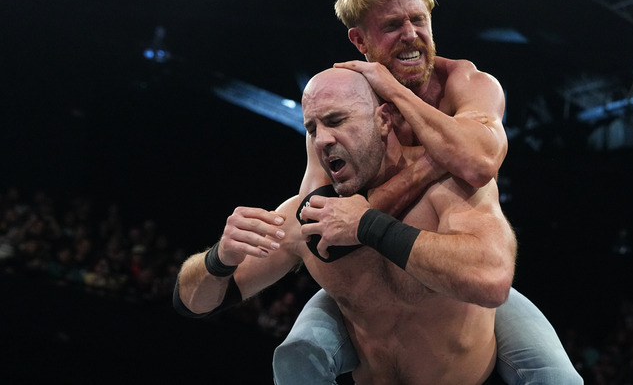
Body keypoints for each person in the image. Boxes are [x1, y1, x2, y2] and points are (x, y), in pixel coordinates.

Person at [273, 0, 582, 384]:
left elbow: (479, 161)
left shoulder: (469, 84)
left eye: (419, 19)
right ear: (359, 40)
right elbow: (322, 229)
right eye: (393, 25)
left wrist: (395, 91)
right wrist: (433, 163)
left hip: (455, 275)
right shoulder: (339, 109)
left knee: (559, 379)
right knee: (295, 357)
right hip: (369, 282)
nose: (411, 35)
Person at [174, 67, 517, 384]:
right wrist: (219, 259)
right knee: (293, 358)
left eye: (337, 120)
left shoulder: (443, 189)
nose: (322, 140)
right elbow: (192, 303)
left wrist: (368, 225)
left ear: (383, 120)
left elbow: (492, 281)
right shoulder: (306, 221)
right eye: (312, 129)